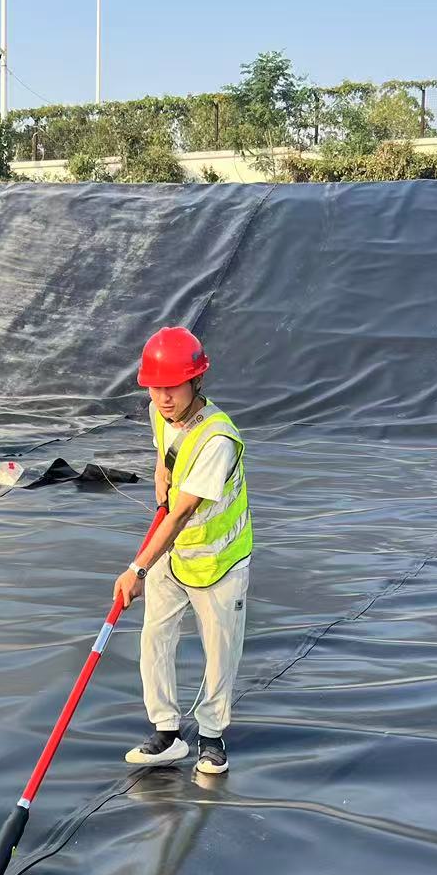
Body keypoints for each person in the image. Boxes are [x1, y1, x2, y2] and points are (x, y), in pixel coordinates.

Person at [112, 326, 252, 775]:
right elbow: (165, 452)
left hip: (218, 559)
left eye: (172, 387)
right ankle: (166, 733)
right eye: (155, 388)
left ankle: (211, 737)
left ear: (196, 381)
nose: (163, 398)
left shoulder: (217, 439)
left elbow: (184, 511)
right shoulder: (161, 412)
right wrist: (160, 478)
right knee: (154, 637)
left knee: (220, 650)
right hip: (172, 553)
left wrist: (137, 568)